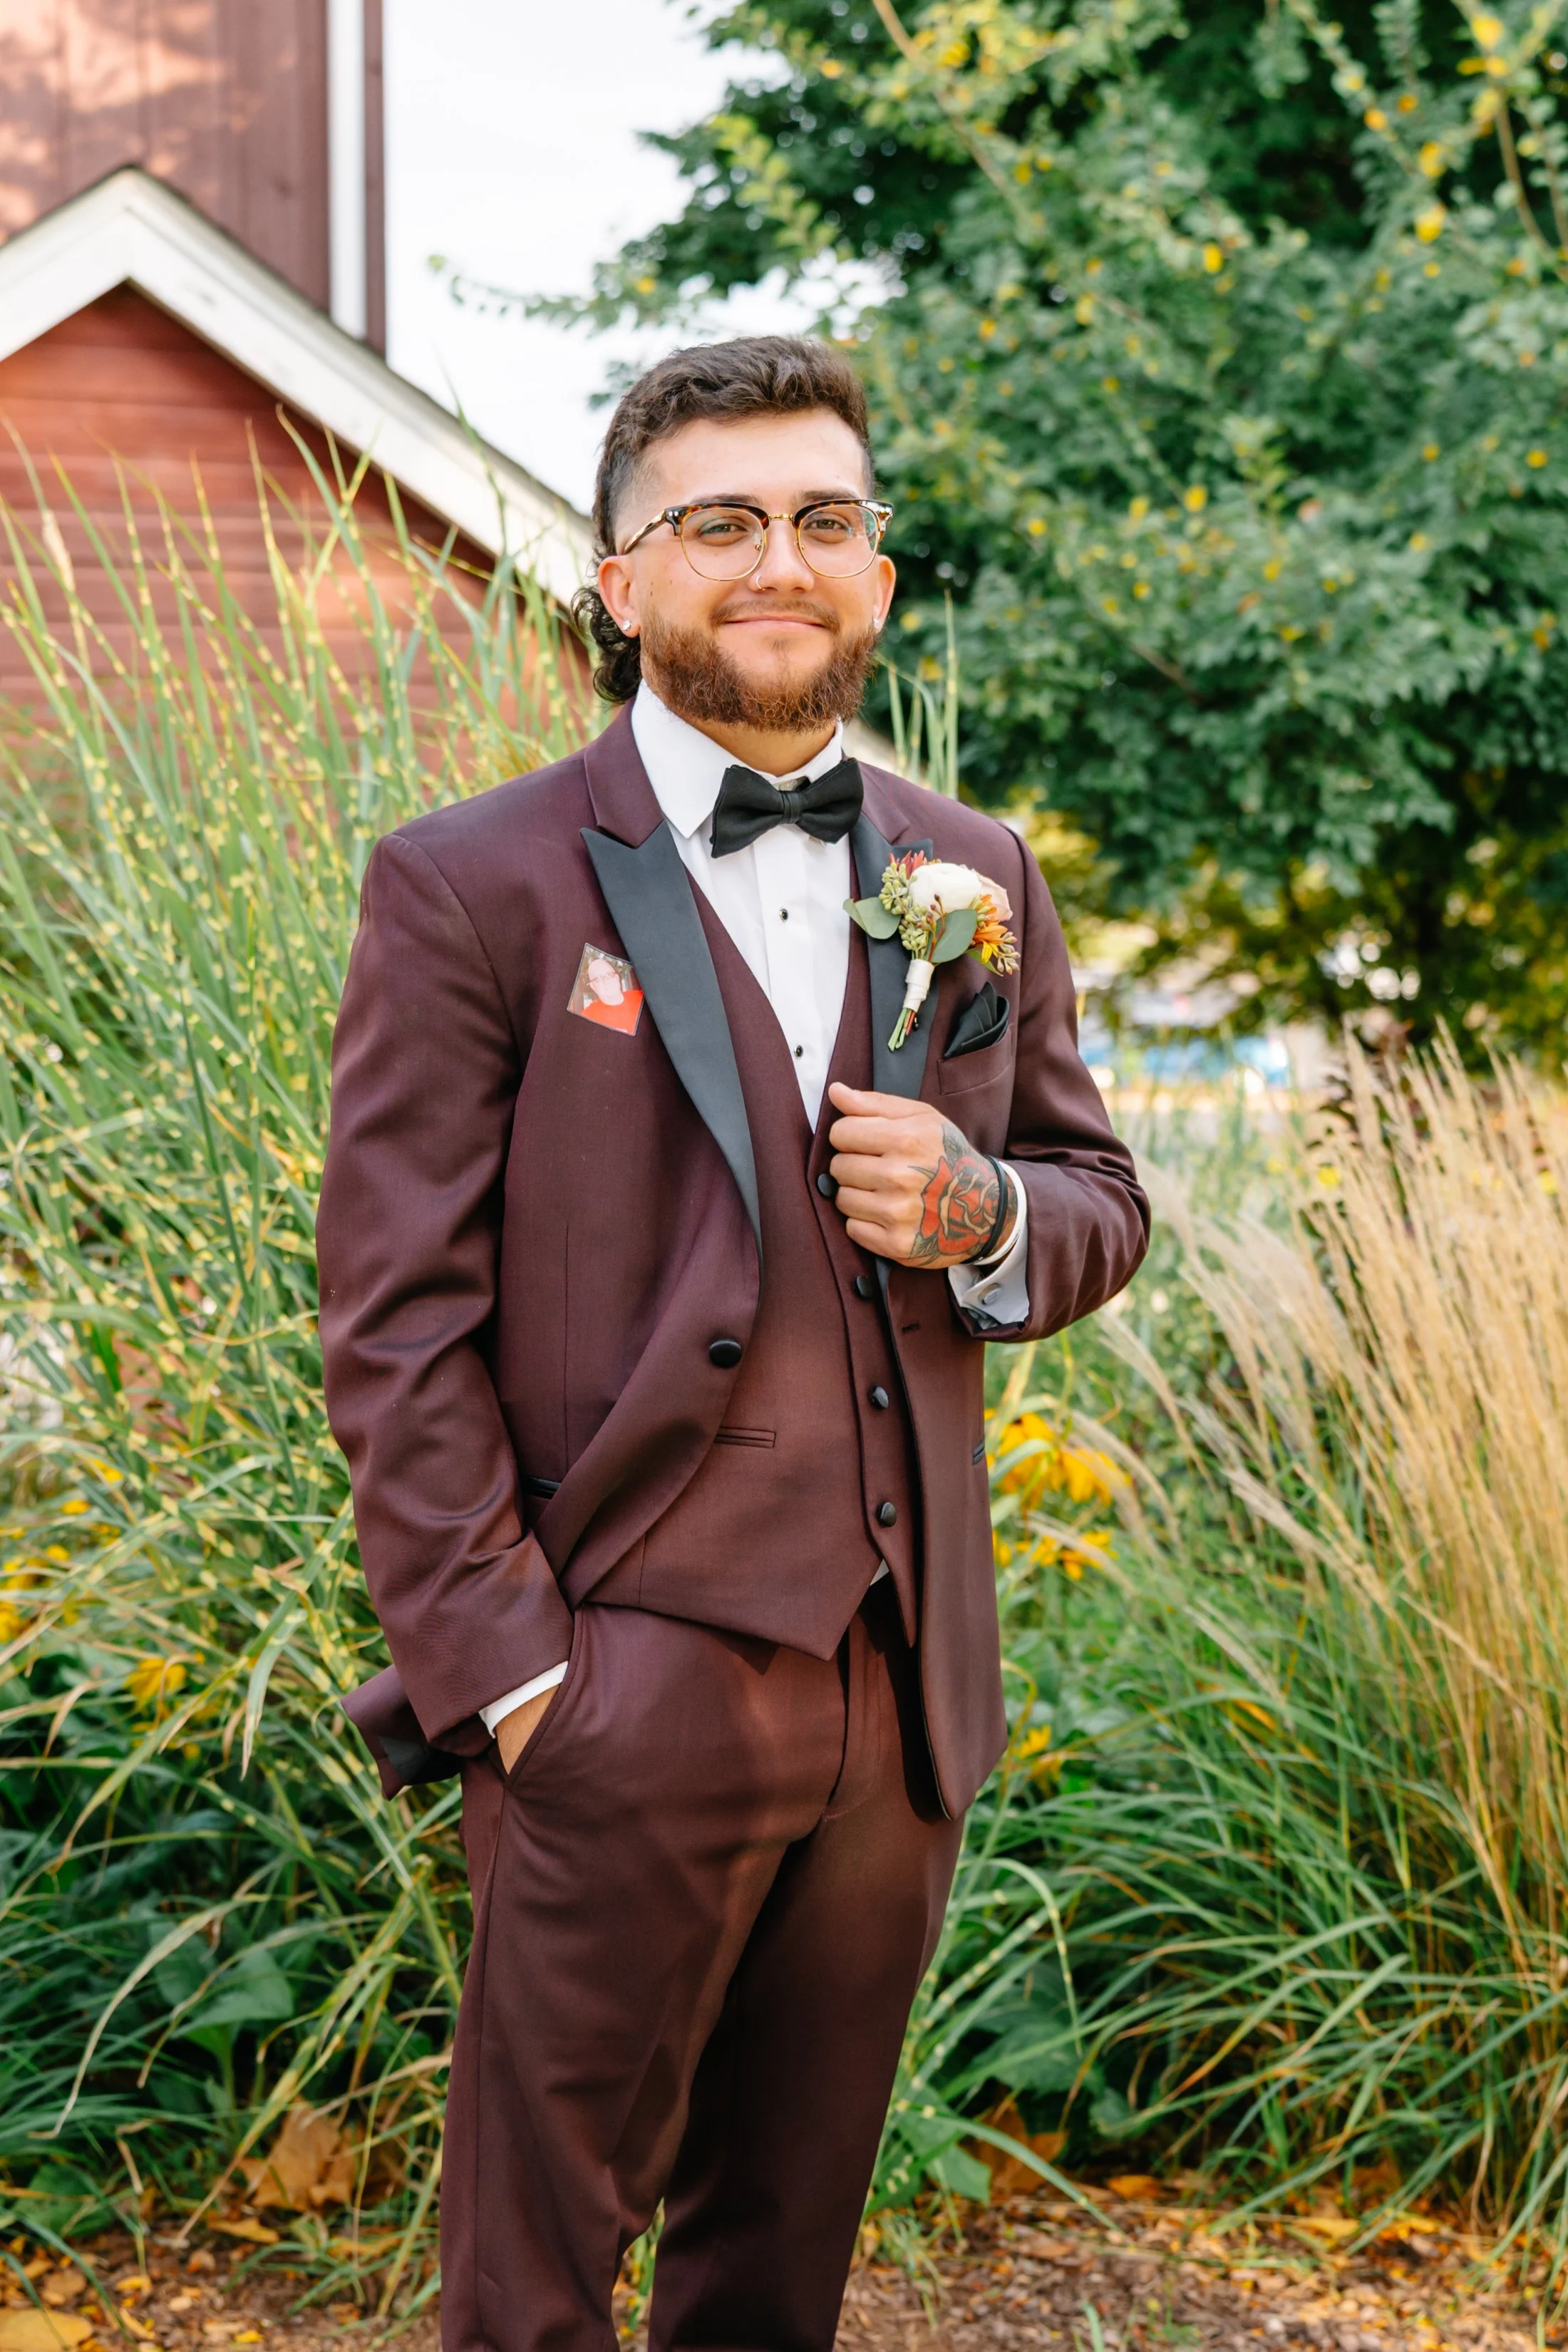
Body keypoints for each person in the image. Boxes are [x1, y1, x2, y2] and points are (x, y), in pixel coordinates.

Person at [316, 334, 1149, 2352]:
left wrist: (984, 1213)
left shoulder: (977, 870)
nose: (777, 558)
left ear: (877, 579)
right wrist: (513, 1674)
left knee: (777, 2272)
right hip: (615, 1678)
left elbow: (1096, 1199)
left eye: (824, 520)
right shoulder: (471, 882)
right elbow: (392, 1315)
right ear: (619, 579)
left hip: (898, 1686)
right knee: (534, 2288)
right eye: (720, 522)